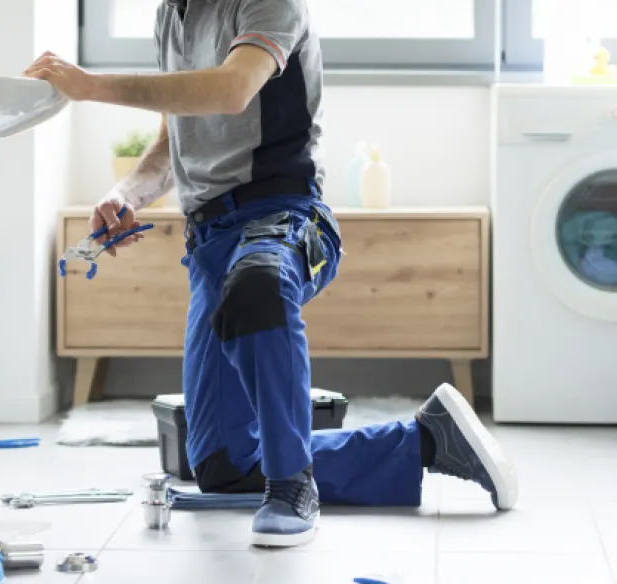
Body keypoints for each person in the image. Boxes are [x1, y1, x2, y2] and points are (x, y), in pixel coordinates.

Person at [25, 0, 519, 548]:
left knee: (258, 286)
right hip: (209, 241)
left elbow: (232, 88)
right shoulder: (172, 14)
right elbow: (175, 136)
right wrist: (126, 193)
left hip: (283, 214)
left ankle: (291, 485)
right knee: (223, 465)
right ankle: (428, 442)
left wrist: (90, 86)